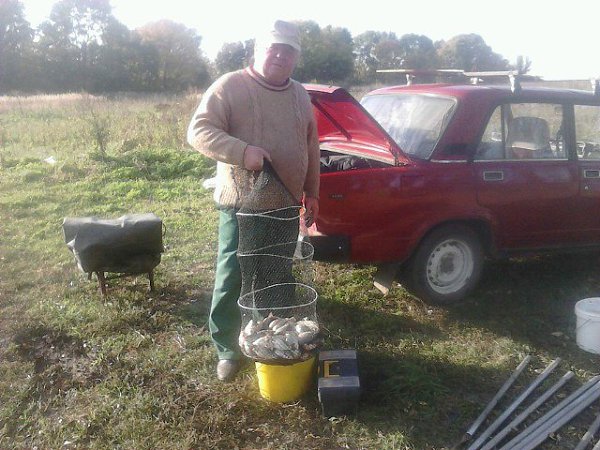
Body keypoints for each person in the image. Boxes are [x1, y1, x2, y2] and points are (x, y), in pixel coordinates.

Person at [186, 19, 320, 382]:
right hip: (241, 203)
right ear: (258, 50)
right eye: (274, 48)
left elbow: (311, 145)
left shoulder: (300, 94)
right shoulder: (230, 86)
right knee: (233, 273)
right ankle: (227, 349)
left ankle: (276, 338)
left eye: (288, 50)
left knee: (276, 274)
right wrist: (242, 152)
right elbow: (198, 131)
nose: (280, 56)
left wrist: (312, 192)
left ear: (296, 57)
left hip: (285, 203)